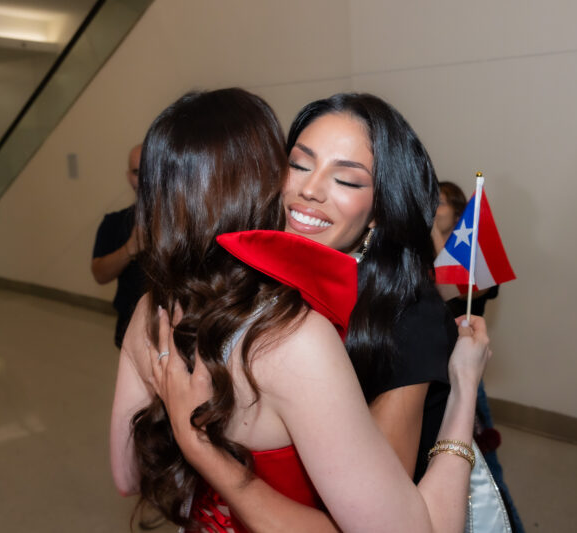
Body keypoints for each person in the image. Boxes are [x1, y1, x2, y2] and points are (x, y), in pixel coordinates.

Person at [110, 88, 491, 533]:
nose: (309, 190)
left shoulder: (408, 314)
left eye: (346, 179)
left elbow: (127, 475)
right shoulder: (285, 325)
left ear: (378, 210)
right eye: (298, 164)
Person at [433, 181, 524, 533]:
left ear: (457, 212)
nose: (432, 209)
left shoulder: (472, 258)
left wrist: (434, 235)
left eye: (438, 204)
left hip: (468, 376)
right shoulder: (427, 254)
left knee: (486, 471)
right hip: (436, 376)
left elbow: (452, 287)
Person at [91, 144, 146, 348]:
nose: (143, 178)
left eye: (149, 169)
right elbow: (99, 274)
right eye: (136, 172)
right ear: (128, 176)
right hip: (130, 328)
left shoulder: (184, 222)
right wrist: (130, 249)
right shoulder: (114, 222)